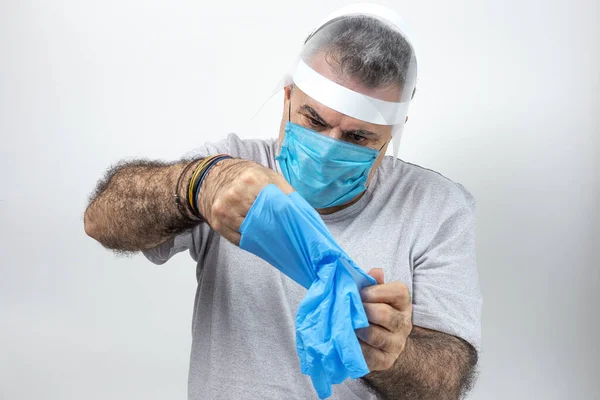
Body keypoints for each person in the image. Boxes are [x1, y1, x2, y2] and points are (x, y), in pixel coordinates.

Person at [84, 4, 482, 399]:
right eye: (314, 120)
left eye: (358, 138)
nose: (327, 150)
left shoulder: (434, 208)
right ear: (288, 97)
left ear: (393, 132)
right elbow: (101, 221)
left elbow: (444, 382)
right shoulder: (234, 168)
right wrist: (194, 184)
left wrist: (391, 353)